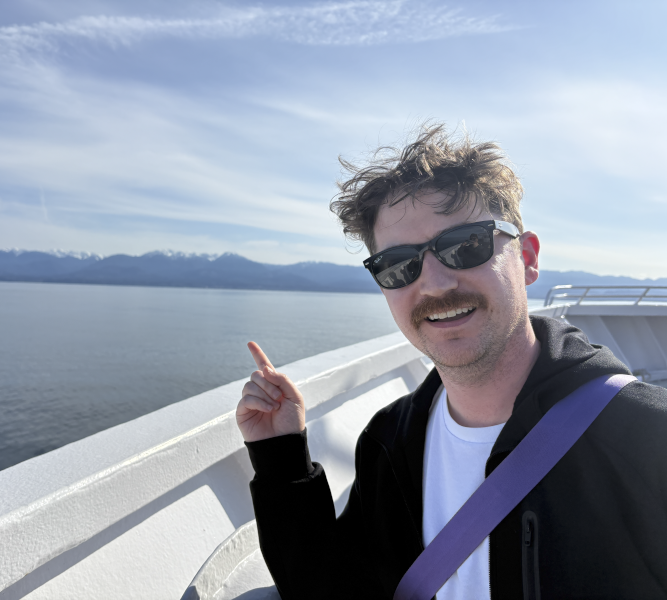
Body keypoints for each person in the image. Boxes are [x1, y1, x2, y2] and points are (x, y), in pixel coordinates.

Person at [235, 123, 667, 599]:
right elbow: (336, 589)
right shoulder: (389, 441)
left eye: (465, 246)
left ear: (526, 257)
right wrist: (281, 461)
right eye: (399, 265)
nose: (436, 284)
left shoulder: (645, 436)